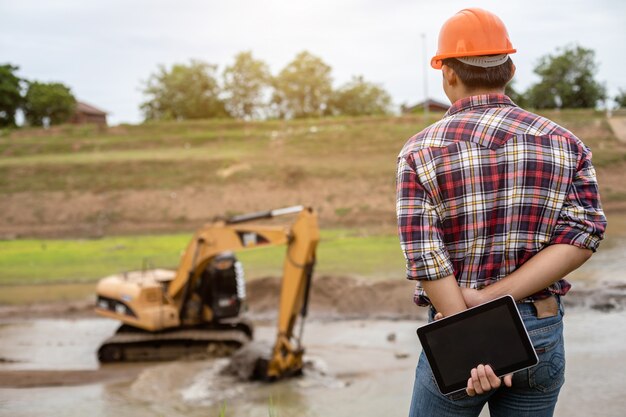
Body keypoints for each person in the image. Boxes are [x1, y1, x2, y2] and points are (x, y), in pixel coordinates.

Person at [395, 8, 607, 417]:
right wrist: (493, 301)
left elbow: (425, 256)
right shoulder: (566, 143)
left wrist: (472, 336)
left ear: (449, 74)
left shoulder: (419, 153)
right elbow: (584, 235)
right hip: (541, 329)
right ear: (509, 68)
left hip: (457, 329)